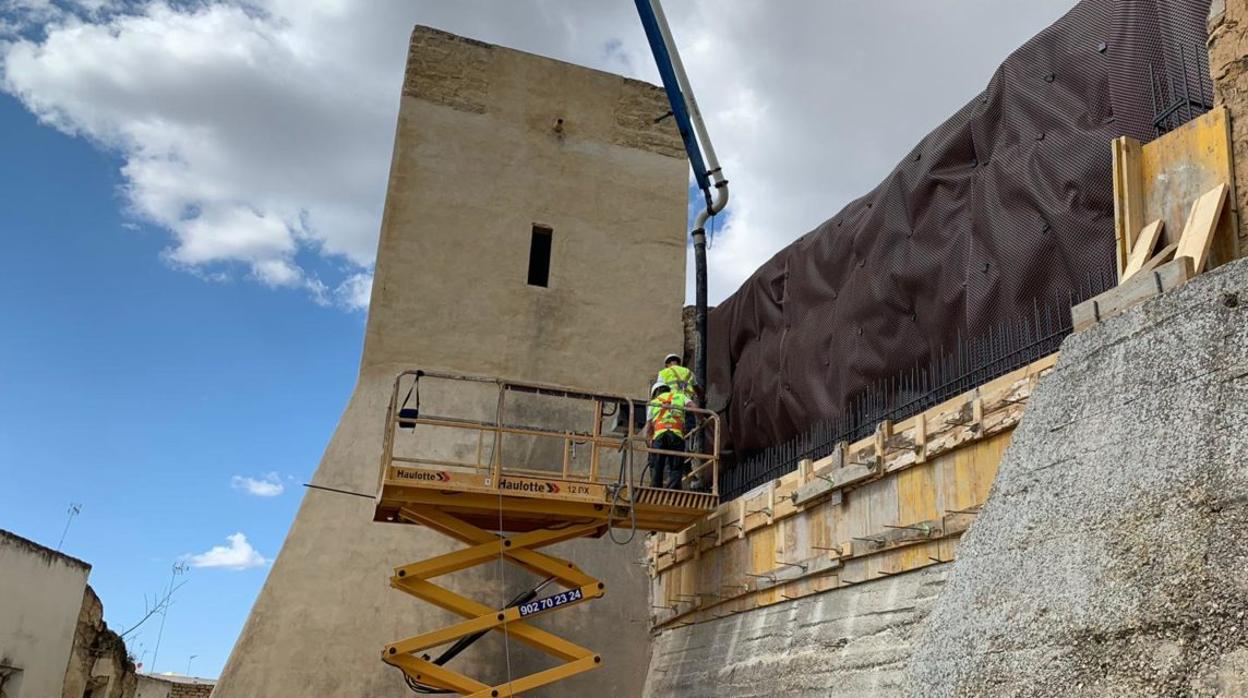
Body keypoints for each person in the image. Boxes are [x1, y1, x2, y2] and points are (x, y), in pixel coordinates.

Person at [644, 381, 692, 490]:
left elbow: (649, 429)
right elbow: (693, 406)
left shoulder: (653, 403)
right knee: (676, 465)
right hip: (676, 435)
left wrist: (649, 446)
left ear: (655, 393)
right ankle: (673, 489)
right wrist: (703, 419)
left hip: (659, 436)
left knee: (657, 464)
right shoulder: (680, 397)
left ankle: (655, 488)